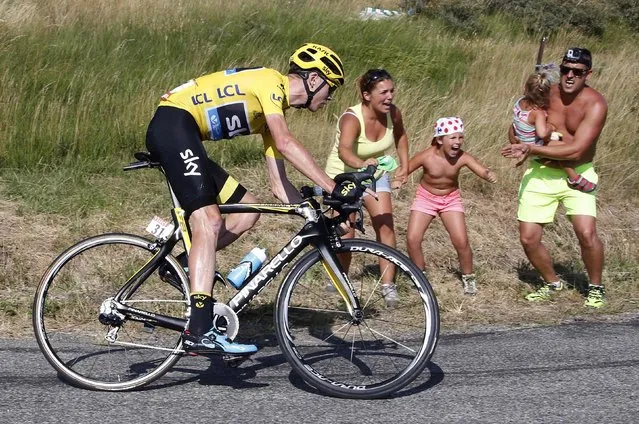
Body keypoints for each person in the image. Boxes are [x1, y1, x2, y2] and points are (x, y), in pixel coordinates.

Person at [145, 43, 347, 355]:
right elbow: (286, 142)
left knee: (247, 212)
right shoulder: (270, 83)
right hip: (173, 123)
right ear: (315, 79)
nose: (329, 98)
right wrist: (334, 187)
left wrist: (314, 212)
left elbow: (280, 188)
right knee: (209, 220)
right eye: (330, 88)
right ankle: (199, 330)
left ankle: (183, 265)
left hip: (181, 133)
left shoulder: (271, 115)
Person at [501, 47, 607, 308]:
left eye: (577, 72)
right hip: (542, 171)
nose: (570, 76)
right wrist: (517, 137)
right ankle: (552, 282)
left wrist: (530, 148)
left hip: (578, 170)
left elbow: (576, 149)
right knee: (528, 238)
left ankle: (595, 287)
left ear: (588, 73)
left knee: (586, 233)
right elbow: (520, 120)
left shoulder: (595, 104)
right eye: (565, 70)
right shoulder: (547, 93)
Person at [323, 68, 409, 306]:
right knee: (345, 232)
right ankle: (341, 279)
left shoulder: (394, 113)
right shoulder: (352, 118)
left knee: (385, 225)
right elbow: (344, 151)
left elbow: (401, 136)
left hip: (374, 173)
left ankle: (388, 286)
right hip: (343, 174)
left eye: (392, 91)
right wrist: (361, 164)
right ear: (366, 95)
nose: (390, 96)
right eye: (383, 92)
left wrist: (405, 166)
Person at [405, 117, 497, 295]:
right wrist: (399, 179)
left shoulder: (463, 157)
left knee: (461, 241)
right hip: (425, 198)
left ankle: (468, 277)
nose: (458, 142)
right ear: (440, 140)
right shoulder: (427, 156)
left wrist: (488, 174)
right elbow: (406, 169)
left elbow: (480, 169)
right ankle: (420, 276)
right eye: (453, 138)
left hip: (451, 199)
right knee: (412, 238)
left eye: (460, 138)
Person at [512, 71, 597, 192]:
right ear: (546, 94)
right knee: (562, 149)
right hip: (533, 144)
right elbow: (542, 133)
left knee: (559, 141)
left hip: (522, 138)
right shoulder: (538, 113)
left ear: (526, 88)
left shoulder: (519, 102)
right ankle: (574, 177)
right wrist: (550, 127)